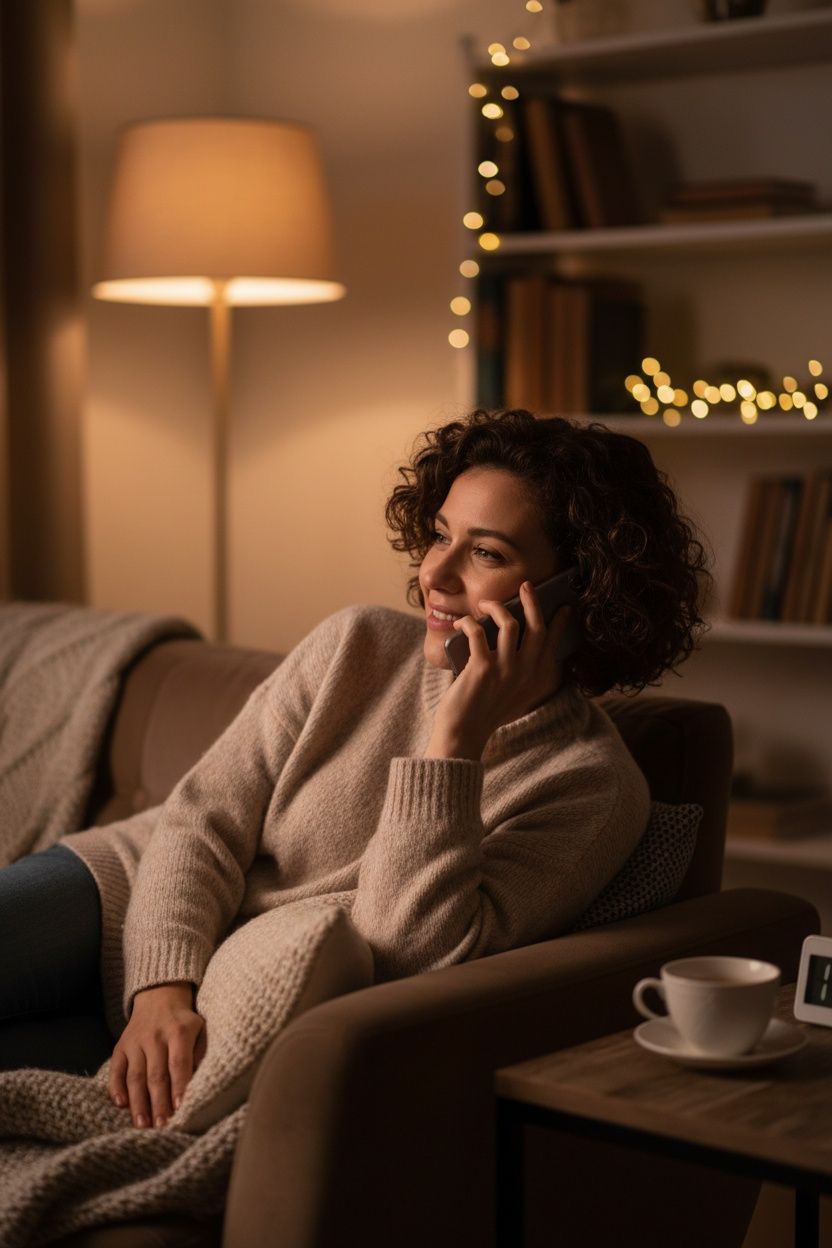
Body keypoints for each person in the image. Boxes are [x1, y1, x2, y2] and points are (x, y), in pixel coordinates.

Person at [0, 408, 709, 1134]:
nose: (434, 573)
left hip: (246, 999)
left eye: (486, 554)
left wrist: (454, 742)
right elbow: (202, 816)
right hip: (133, 894)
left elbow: (409, 961)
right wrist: (158, 990)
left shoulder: (591, 788)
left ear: (576, 594)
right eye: (440, 536)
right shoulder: (356, 643)